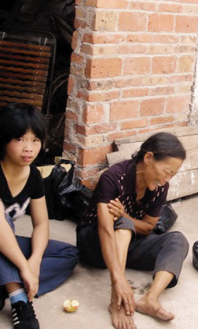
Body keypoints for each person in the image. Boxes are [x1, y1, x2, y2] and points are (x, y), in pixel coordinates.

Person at [0, 103, 79, 329]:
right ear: (3, 140)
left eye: (35, 140)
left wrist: (34, 260)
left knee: (69, 254)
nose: (29, 148)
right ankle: (19, 301)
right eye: (20, 139)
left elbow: (41, 223)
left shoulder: (33, 175)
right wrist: (24, 267)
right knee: (0, 220)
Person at [76, 132, 189, 329]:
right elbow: (105, 230)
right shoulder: (114, 178)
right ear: (148, 158)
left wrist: (125, 216)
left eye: (172, 174)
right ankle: (116, 301)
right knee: (123, 224)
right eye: (166, 171)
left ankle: (150, 299)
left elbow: (148, 227)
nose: (166, 179)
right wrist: (120, 281)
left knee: (177, 240)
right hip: (95, 245)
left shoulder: (160, 187)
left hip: (127, 244)